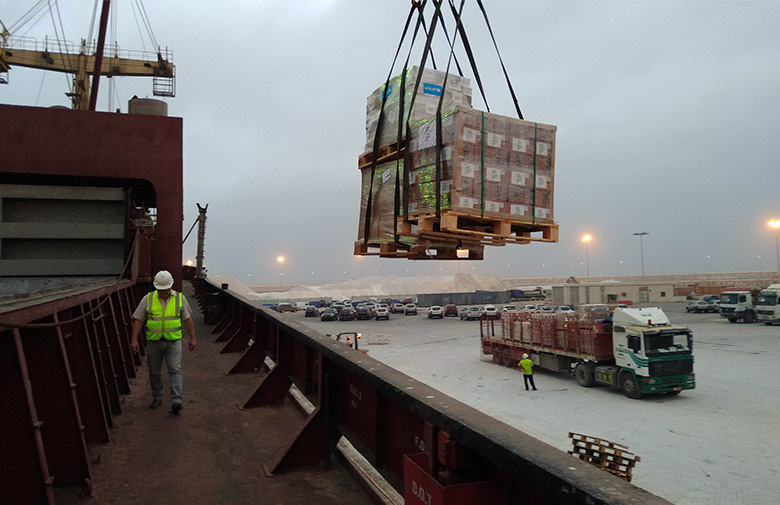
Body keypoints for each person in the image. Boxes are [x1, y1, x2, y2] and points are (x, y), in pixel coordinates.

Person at [130, 270, 196, 414]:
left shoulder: (179, 298)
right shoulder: (148, 299)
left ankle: (176, 400)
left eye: (166, 290)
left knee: (175, 370)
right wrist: (134, 339)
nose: (164, 292)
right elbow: (138, 320)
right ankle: (157, 397)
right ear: (156, 288)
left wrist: (192, 338)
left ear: (170, 287)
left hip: (174, 341)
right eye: (161, 290)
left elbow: (187, 320)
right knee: (154, 372)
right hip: (154, 342)